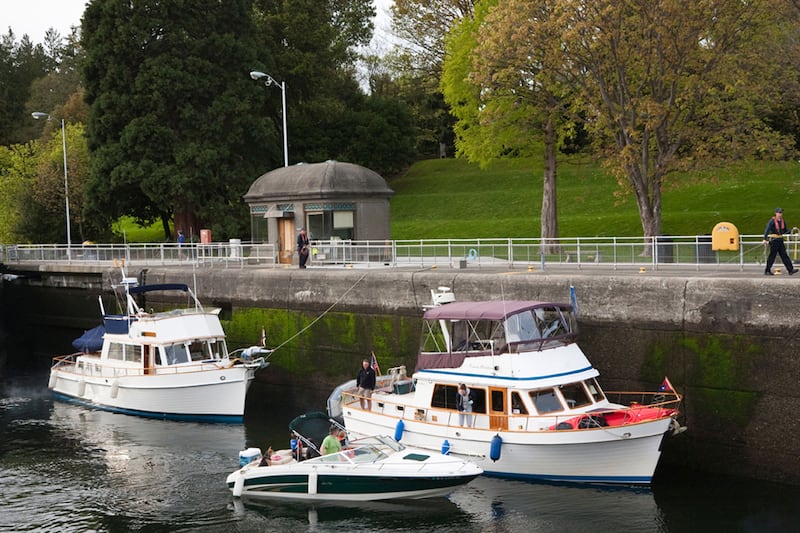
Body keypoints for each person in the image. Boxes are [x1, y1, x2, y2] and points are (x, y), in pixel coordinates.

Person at [762, 208, 797, 276]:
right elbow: (767, 229)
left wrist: (791, 231)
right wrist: (764, 239)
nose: (780, 214)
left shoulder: (782, 221)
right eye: (779, 212)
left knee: (784, 255)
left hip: (780, 240)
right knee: (772, 256)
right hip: (774, 240)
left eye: (781, 213)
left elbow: (785, 230)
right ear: (776, 213)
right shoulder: (772, 221)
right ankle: (767, 270)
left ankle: (790, 270)